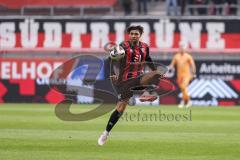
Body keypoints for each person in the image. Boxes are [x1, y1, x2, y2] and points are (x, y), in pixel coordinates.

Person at [98, 25, 164, 145]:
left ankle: (145, 94)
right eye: (132, 34)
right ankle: (106, 133)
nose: (134, 36)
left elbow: (148, 58)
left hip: (138, 78)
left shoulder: (145, 47)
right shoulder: (123, 46)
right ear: (129, 35)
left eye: (136, 34)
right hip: (124, 81)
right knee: (120, 109)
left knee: (157, 73)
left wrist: (154, 69)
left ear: (140, 35)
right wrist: (113, 73)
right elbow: (111, 59)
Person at [168, 42, 196, 108]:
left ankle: (187, 102)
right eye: (181, 48)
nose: (182, 49)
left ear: (185, 49)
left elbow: (193, 65)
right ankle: (185, 101)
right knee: (183, 89)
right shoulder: (176, 56)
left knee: (183, 87)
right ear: (179, 48)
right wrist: (168, 68)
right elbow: (172, 65)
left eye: (183, 48)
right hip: (179, 76)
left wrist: (193, 73)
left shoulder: (188, 56)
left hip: (187, 75)